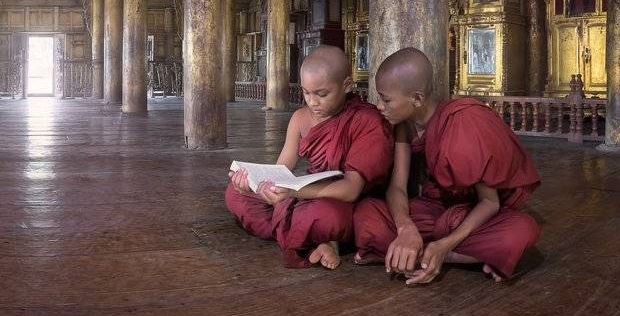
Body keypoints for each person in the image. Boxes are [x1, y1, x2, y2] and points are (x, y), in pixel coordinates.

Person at [352, 47, 540, 283]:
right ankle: (449, 255)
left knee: (520, 231)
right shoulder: (403, 125)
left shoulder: (462, 123)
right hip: (431, 210)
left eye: (386, 99)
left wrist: (443, 246)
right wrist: (405, 228)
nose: (380, 106)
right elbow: (397, 187)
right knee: (366, 214)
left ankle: (428, 256)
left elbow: (489, 203)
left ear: (417, 98)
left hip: (469, 214)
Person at [225, 45, 391, 269]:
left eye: (322, 94)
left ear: (347, 86)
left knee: (327, 216)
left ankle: (306, 235)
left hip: (342, 199)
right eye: (306, 92)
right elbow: (281, 170)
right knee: (235, 194)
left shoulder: (366, 120)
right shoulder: (300, 118)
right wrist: (256, 186)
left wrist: (294, 193)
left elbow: (352, 190)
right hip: (304, 192)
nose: (312, 102)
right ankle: (316, 240)